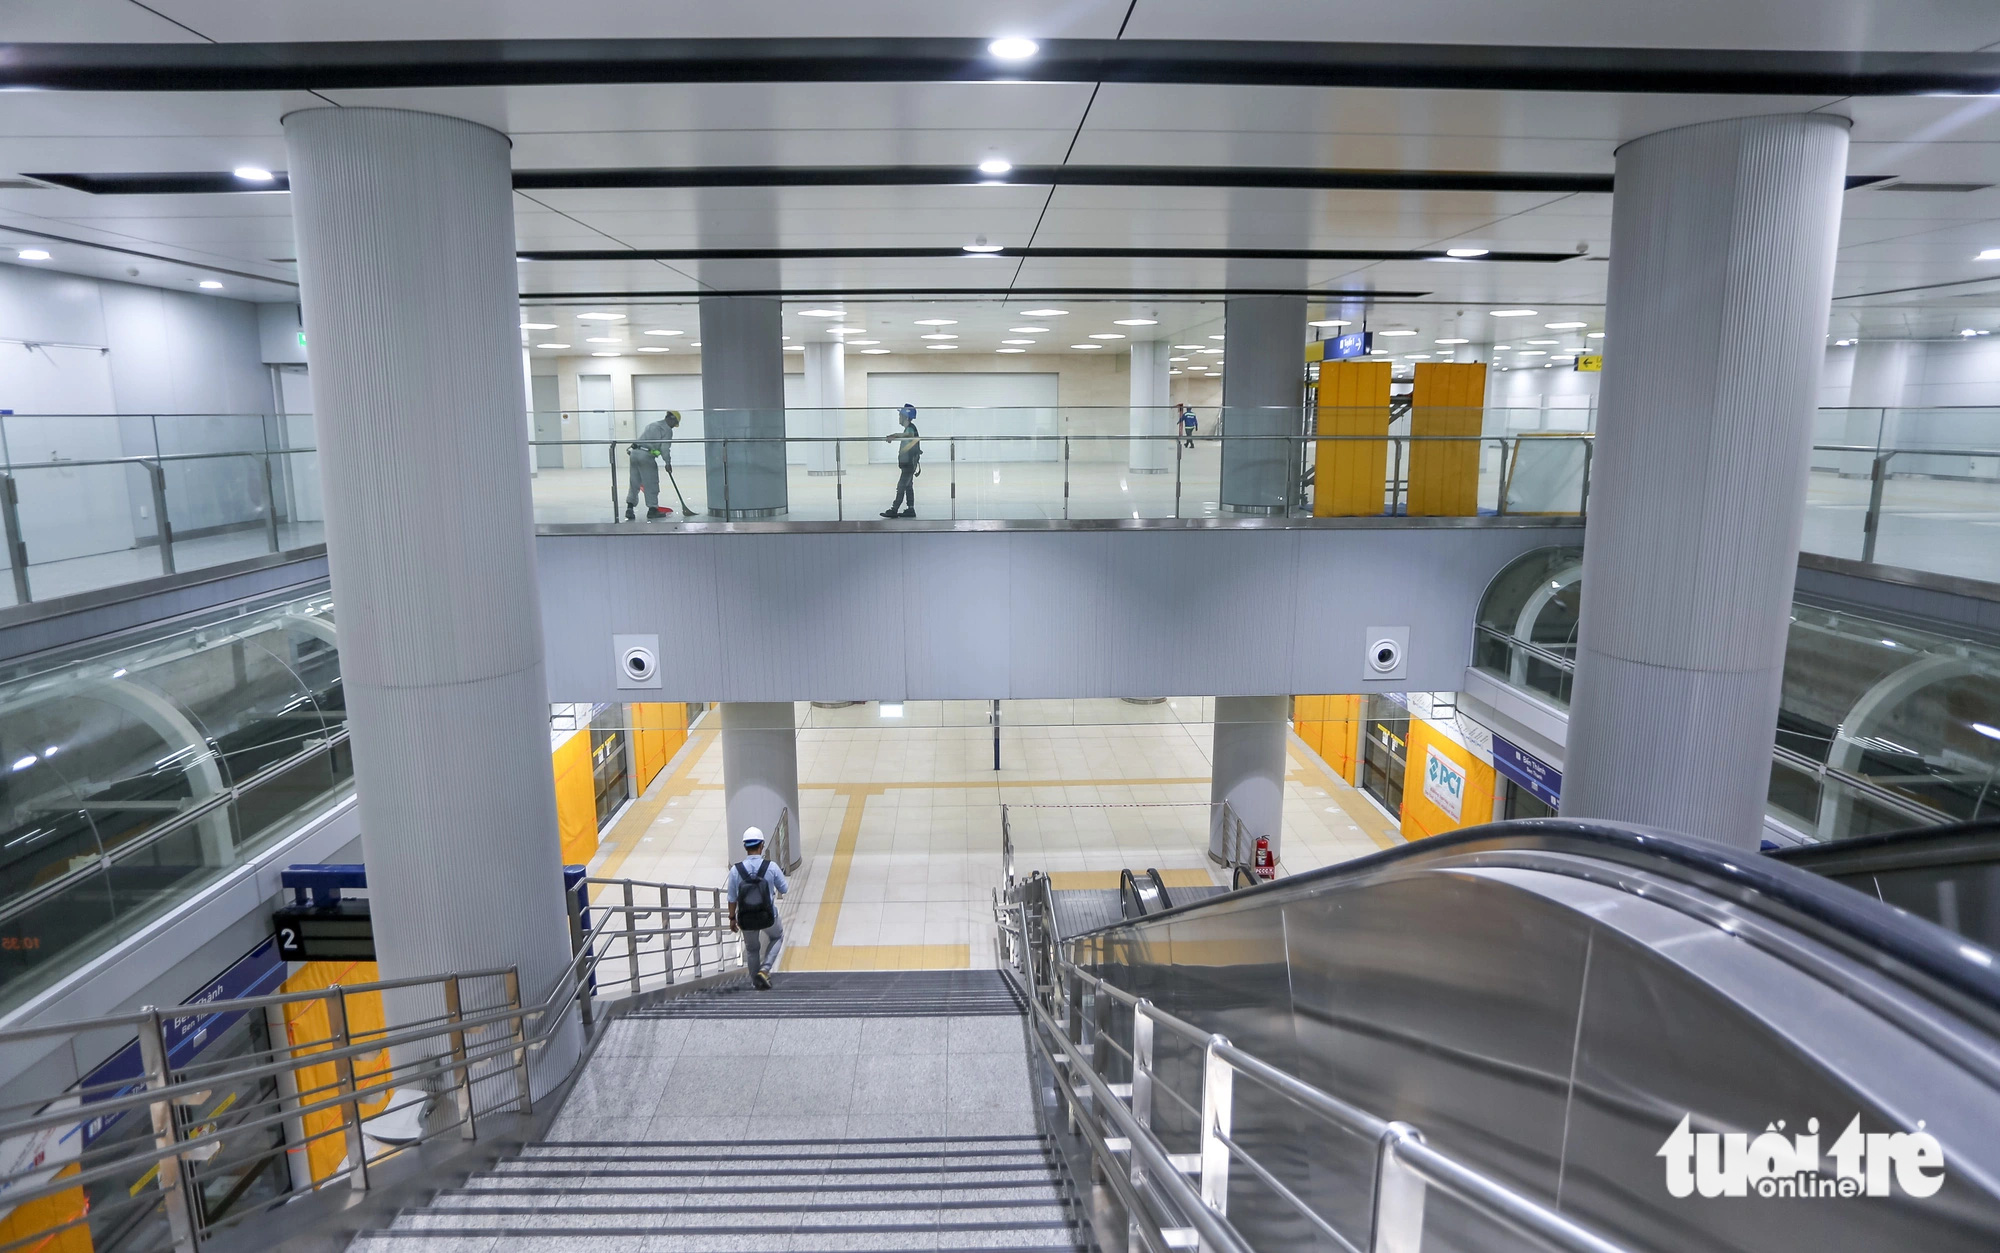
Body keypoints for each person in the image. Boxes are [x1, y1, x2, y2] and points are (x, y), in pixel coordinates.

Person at [726, 827, 789, 989]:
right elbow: (784, 889)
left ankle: (756, 983)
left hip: (746, 917)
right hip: (768, 915)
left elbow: (732, 898)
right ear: (762, 845)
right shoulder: (771, 867)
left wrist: (732, 918)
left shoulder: (735, 870)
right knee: (777, 937)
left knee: (752, 949)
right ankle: (765, 969)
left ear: (745, 847)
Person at [625, 410, 680, 521]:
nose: (674, 427)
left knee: (634, 482)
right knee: (651, 483)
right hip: (645, 457)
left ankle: (629, 508)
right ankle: (652, 509)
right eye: (675, 424)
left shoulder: (652, 425)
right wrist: (667, 462)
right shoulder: (667, 430)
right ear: (672, 420)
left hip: (634, 454)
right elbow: (665, 448)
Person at [880, 403, 922, 518]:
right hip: (908, 463)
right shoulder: (909, 428)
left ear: (905, 417)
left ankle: (894, 509)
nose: (899, 417)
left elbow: (908, 435)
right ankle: (910, 509)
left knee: (901, 486)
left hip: (909, 464)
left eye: (900, 415)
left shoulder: (910, 429)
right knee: (908, 486)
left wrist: (893, 436)